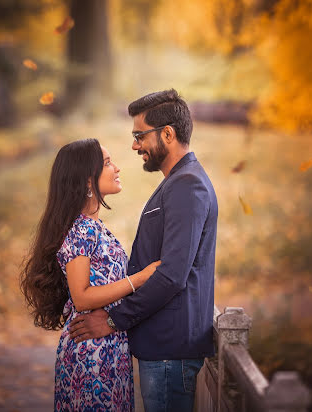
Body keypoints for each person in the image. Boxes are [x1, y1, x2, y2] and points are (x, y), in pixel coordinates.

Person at [69, 89, 219, 412]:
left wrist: (112, 320)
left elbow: (171, 275)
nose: (135, 145)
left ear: (168, 133)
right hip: (163, 352)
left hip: (168, 351)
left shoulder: (187, 186)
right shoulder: (176, 183)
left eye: (139, 135)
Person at [20, 138, 161, 411]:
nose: (117, 168)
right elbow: (82, 297)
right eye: (107, 163)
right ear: (87, 181)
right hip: (92, 357)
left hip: (108, 351)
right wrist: (141, 278)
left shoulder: (94, 227)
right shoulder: (82, 229)